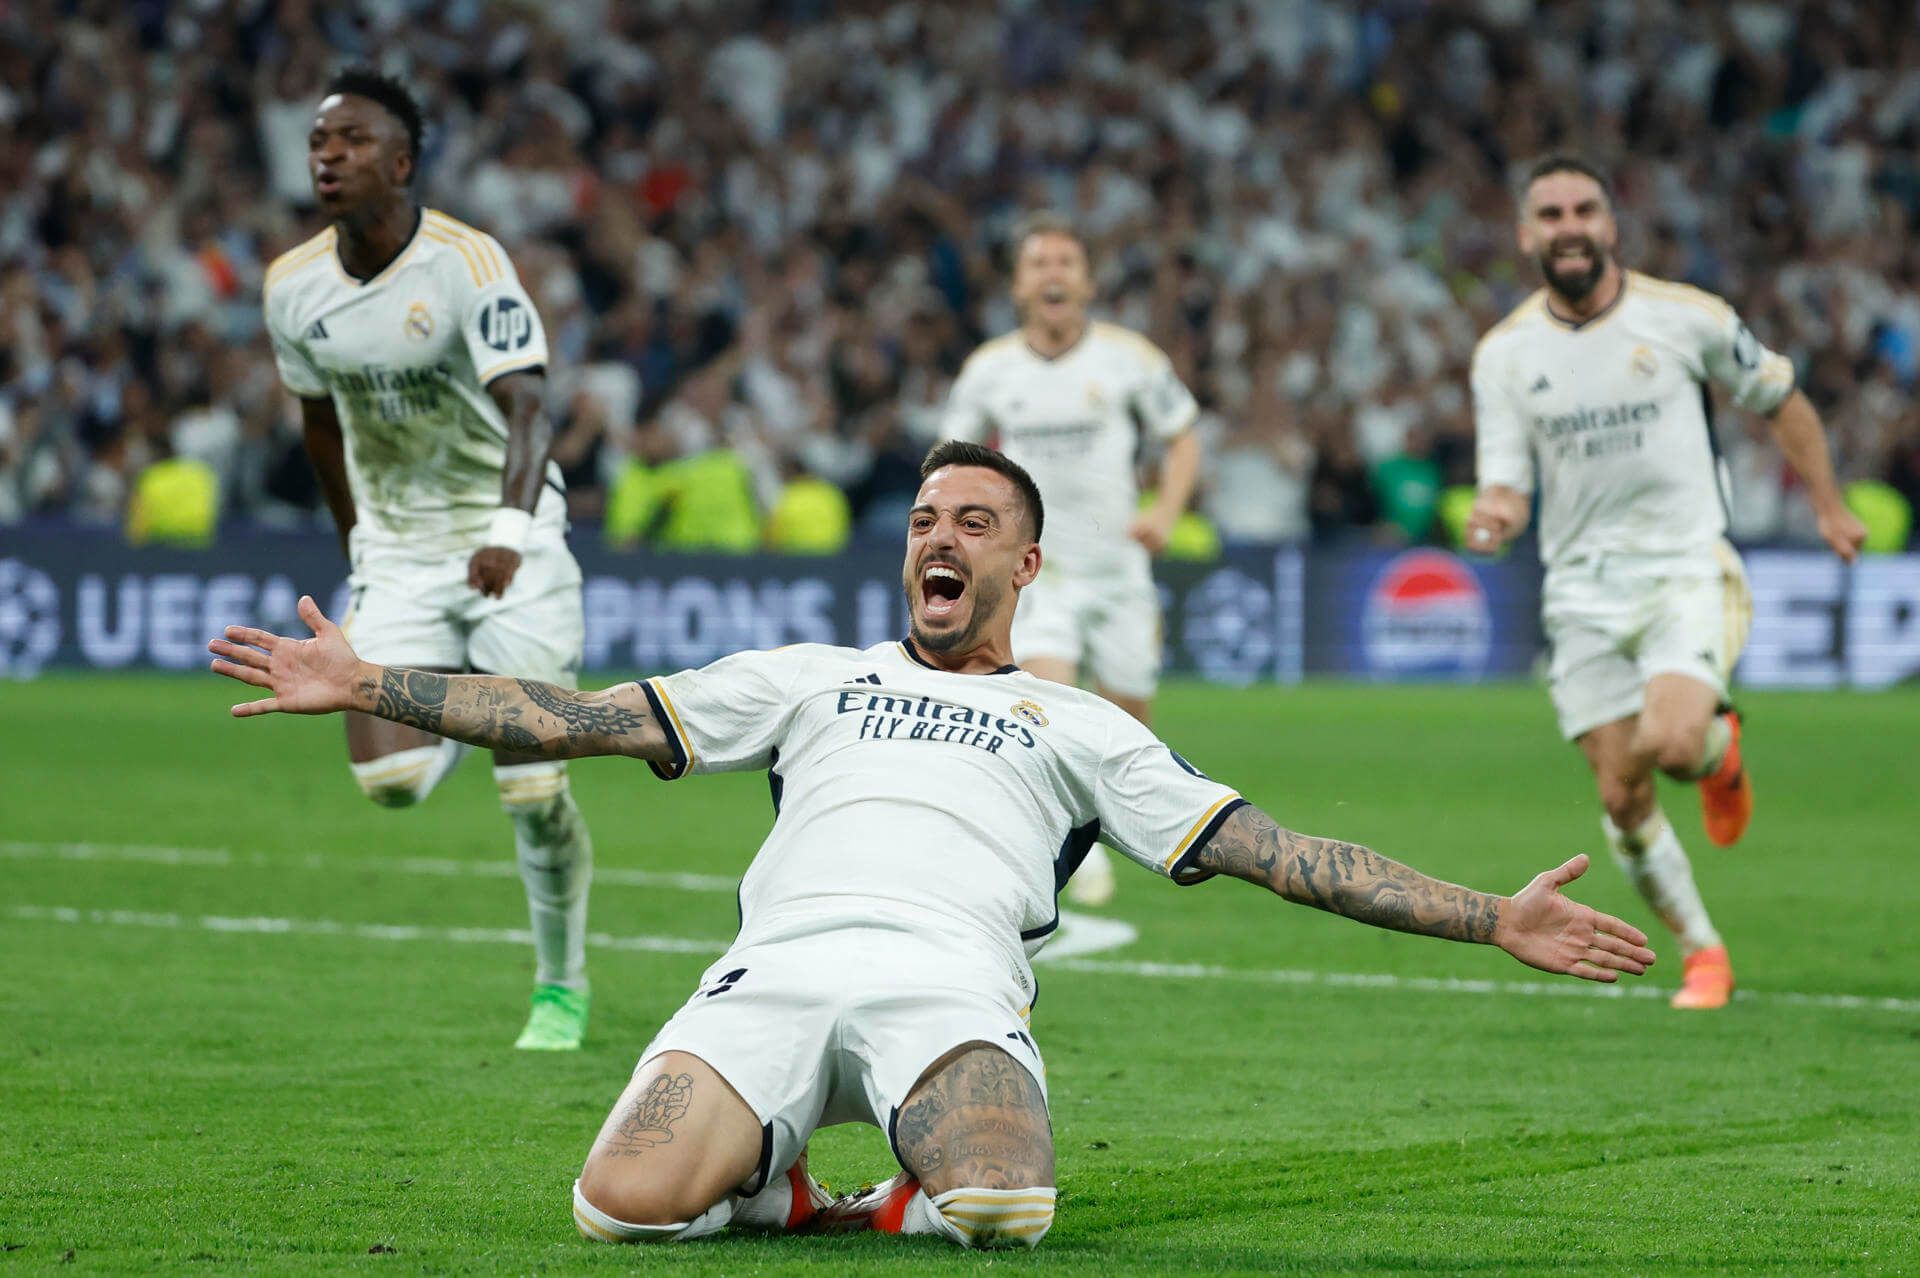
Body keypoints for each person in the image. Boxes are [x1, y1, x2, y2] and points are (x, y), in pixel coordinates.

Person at [210, 440, 1657, 1252]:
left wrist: (1491, 916)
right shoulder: (808, 676)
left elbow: (1278, 850)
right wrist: (372, 684)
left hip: (948, 988)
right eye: (920, 519)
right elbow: (579, 715)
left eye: (972, 520)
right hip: (768, 975)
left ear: (1026, 561)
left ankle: (881, 1181)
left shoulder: (1080, 723)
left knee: (1006, 1206)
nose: (935, 538)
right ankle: (789, 1192)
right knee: (612, 1207)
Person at [1466, 155, 1866, 1011]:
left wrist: (1829, 508)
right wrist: (1494, 516)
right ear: (1526, 235)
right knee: (1621, 790)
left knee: (1677, 743)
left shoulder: (1686, 317)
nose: (1568, 226)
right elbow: (1504, 478)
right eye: (1550, 213)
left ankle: (1721, 756)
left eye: (1584, 209)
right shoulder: (1503, 355)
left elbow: (1783, 399)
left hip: (1684, 566)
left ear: (1610, 225)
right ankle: (1703, 951)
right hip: (1579, 591)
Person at [258, 68, 595, 1050]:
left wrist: (508, 531)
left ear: (401, 163)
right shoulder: (293, 287)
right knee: (392, 785)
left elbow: (530, 402)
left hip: (508, 535)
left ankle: (561, 987)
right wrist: (358, 546)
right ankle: (471, 695)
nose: (328, 156)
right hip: (400, 553)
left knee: (533, 791)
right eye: (320, 141)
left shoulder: (467, 263)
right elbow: (320, 425)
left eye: (353, 140)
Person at [939, 213, 1203, 908]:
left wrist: (1165, 513)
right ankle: (1067, 847)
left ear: (1085, 282)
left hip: (1118, 571)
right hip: (1037, 573)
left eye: (1066, 261)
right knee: (1047, 706)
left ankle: (1108, 828)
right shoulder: (989, 370)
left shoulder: (1129, 358)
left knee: (1129, 726)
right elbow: (952, 464)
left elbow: (1183, 440)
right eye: (1038, 263)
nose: (1053, 272)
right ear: (1019, 285)